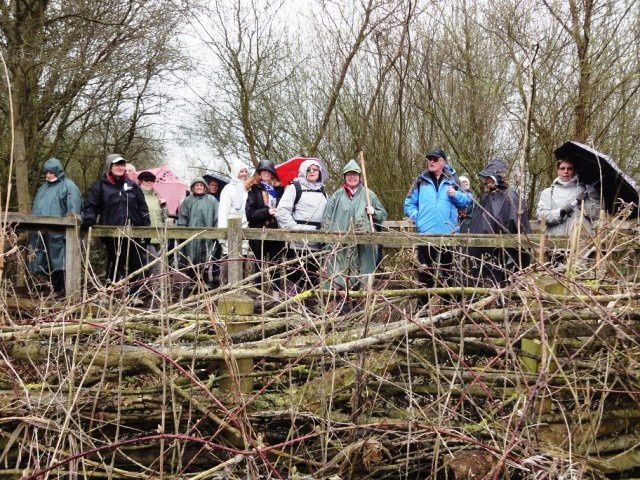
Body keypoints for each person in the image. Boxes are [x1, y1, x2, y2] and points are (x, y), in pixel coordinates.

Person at [404, 148, 472, 290]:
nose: (431, 162)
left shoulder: (453, 180)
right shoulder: (420, 180)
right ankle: (423, 310)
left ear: (443, 162)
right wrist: (418, 217)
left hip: (448, 234)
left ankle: (448, 308)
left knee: (448, 274)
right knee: (424, 274)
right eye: (429, 159)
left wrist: (456, 195)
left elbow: (468, 200)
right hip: (425, 235)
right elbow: (409, 203)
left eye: (435, 159)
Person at [82, 154, 150, 288]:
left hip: (133, 230)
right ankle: (110, 291)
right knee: (114, 261)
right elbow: (91, 205)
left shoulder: (132, 185)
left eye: (122, 165)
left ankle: (134, 295)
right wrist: (89, 219)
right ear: (109, 167)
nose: (120, 167)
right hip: (111, 232)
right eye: (117, 165)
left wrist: (147, 228)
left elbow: (143, 207)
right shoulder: (100, 186)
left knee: (135, 262)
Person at [322, 159, 387, 289]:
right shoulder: (336, 196)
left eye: (355, 174)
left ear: (359, 177)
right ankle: (340, 299)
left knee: (364, 274)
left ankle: (363, 299)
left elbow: (383, 215)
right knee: (339, 273)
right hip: (341, 242)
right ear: (345, 177)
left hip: (364, 242)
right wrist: (327, 239)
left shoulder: (369, 195)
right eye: (349, 174)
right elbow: (326, 219)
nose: (352, 177)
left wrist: (374, 212)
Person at [468, 157, 531, 286]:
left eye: (488, 177)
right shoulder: (486, 197)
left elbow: (520, 230)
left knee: (498, 285)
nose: (485, 181)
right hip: (481, 256)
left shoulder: (511, 197)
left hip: (500, 256)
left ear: (498, 177)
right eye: (485, 177)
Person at [28, 157, 83, 297]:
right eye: (46, 172)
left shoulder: (69, 186)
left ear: (58, 171)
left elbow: (74, 210)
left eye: (51, 172)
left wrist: (70, 229)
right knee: (45, 260)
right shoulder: (43, 188)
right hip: (42, 232)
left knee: (61, 261)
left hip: (61, 233)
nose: (48, 175)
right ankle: (52, 289)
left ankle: (63, 291)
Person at [275, 158, 328, 291]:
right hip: (297, 243)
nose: (311, 172)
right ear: (303, 172)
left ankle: (310, 307)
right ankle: (294, 306)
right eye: (308, 170)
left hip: (317, 242)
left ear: (319, 172)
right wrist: (294, 229)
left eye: (315, 169)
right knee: (295, 277)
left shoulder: (323, 190)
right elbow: (282, 211)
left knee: (313, 278)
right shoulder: (294, 188)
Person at [245, 160, 285, 293]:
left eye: (269, 171)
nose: (266, 174)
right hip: (258, 232)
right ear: (259, 173)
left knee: (275, 264)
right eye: (263, 171)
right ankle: (258, 294)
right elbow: (250, 215)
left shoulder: (279, 190)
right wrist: (266, 211)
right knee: (258, 264)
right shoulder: (254, 190)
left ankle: (276, 294)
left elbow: (285, 208)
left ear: (273, 174)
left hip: (275, 231)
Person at [536, 158, 599, 236]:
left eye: (569, 168)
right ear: (558, 171)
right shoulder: (548, 192)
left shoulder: (587, 190)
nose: (566, 171)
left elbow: (597, 215)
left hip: (582, 241)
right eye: (562, 168)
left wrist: (584, 204)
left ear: (574, 170)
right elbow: (541, 217)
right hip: (555, 241)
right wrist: (560, 212)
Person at [177, 178, 219, 286]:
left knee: (206, 257)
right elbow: (182, 218)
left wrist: (216, 232)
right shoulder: (187, 200)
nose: (199, 187)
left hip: (208, 234)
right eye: (196, 185)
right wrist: (182, 234)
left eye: (201, 185)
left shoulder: (212, 200)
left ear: (205, 187)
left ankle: (204, 282)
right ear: (193, 187)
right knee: (191, 257)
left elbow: (216, 217)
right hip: (191, 236)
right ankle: (192, 283)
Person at [217, 165, 250, 282]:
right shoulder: (228, 189)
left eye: (246, 171)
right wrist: (222, 234)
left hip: (245, 227)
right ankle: (226, 285)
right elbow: (223, 212)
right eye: (241, 171)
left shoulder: (248, 188)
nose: (244, 174)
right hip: (230, 227)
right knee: (229, 256)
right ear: (236, 172)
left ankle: (241, 285)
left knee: (243, 255)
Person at [137, 170, 168, 280]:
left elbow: (165, 218)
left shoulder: (157, 197)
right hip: (144, 236)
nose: (149, 182)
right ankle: (152, 291)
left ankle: (154, 292)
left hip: (158, 237)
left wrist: (164, 206)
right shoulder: (137, 195)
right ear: (140, 181)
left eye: (152, 180)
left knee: (155, 265)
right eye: (146, 180)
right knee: (153, 264)